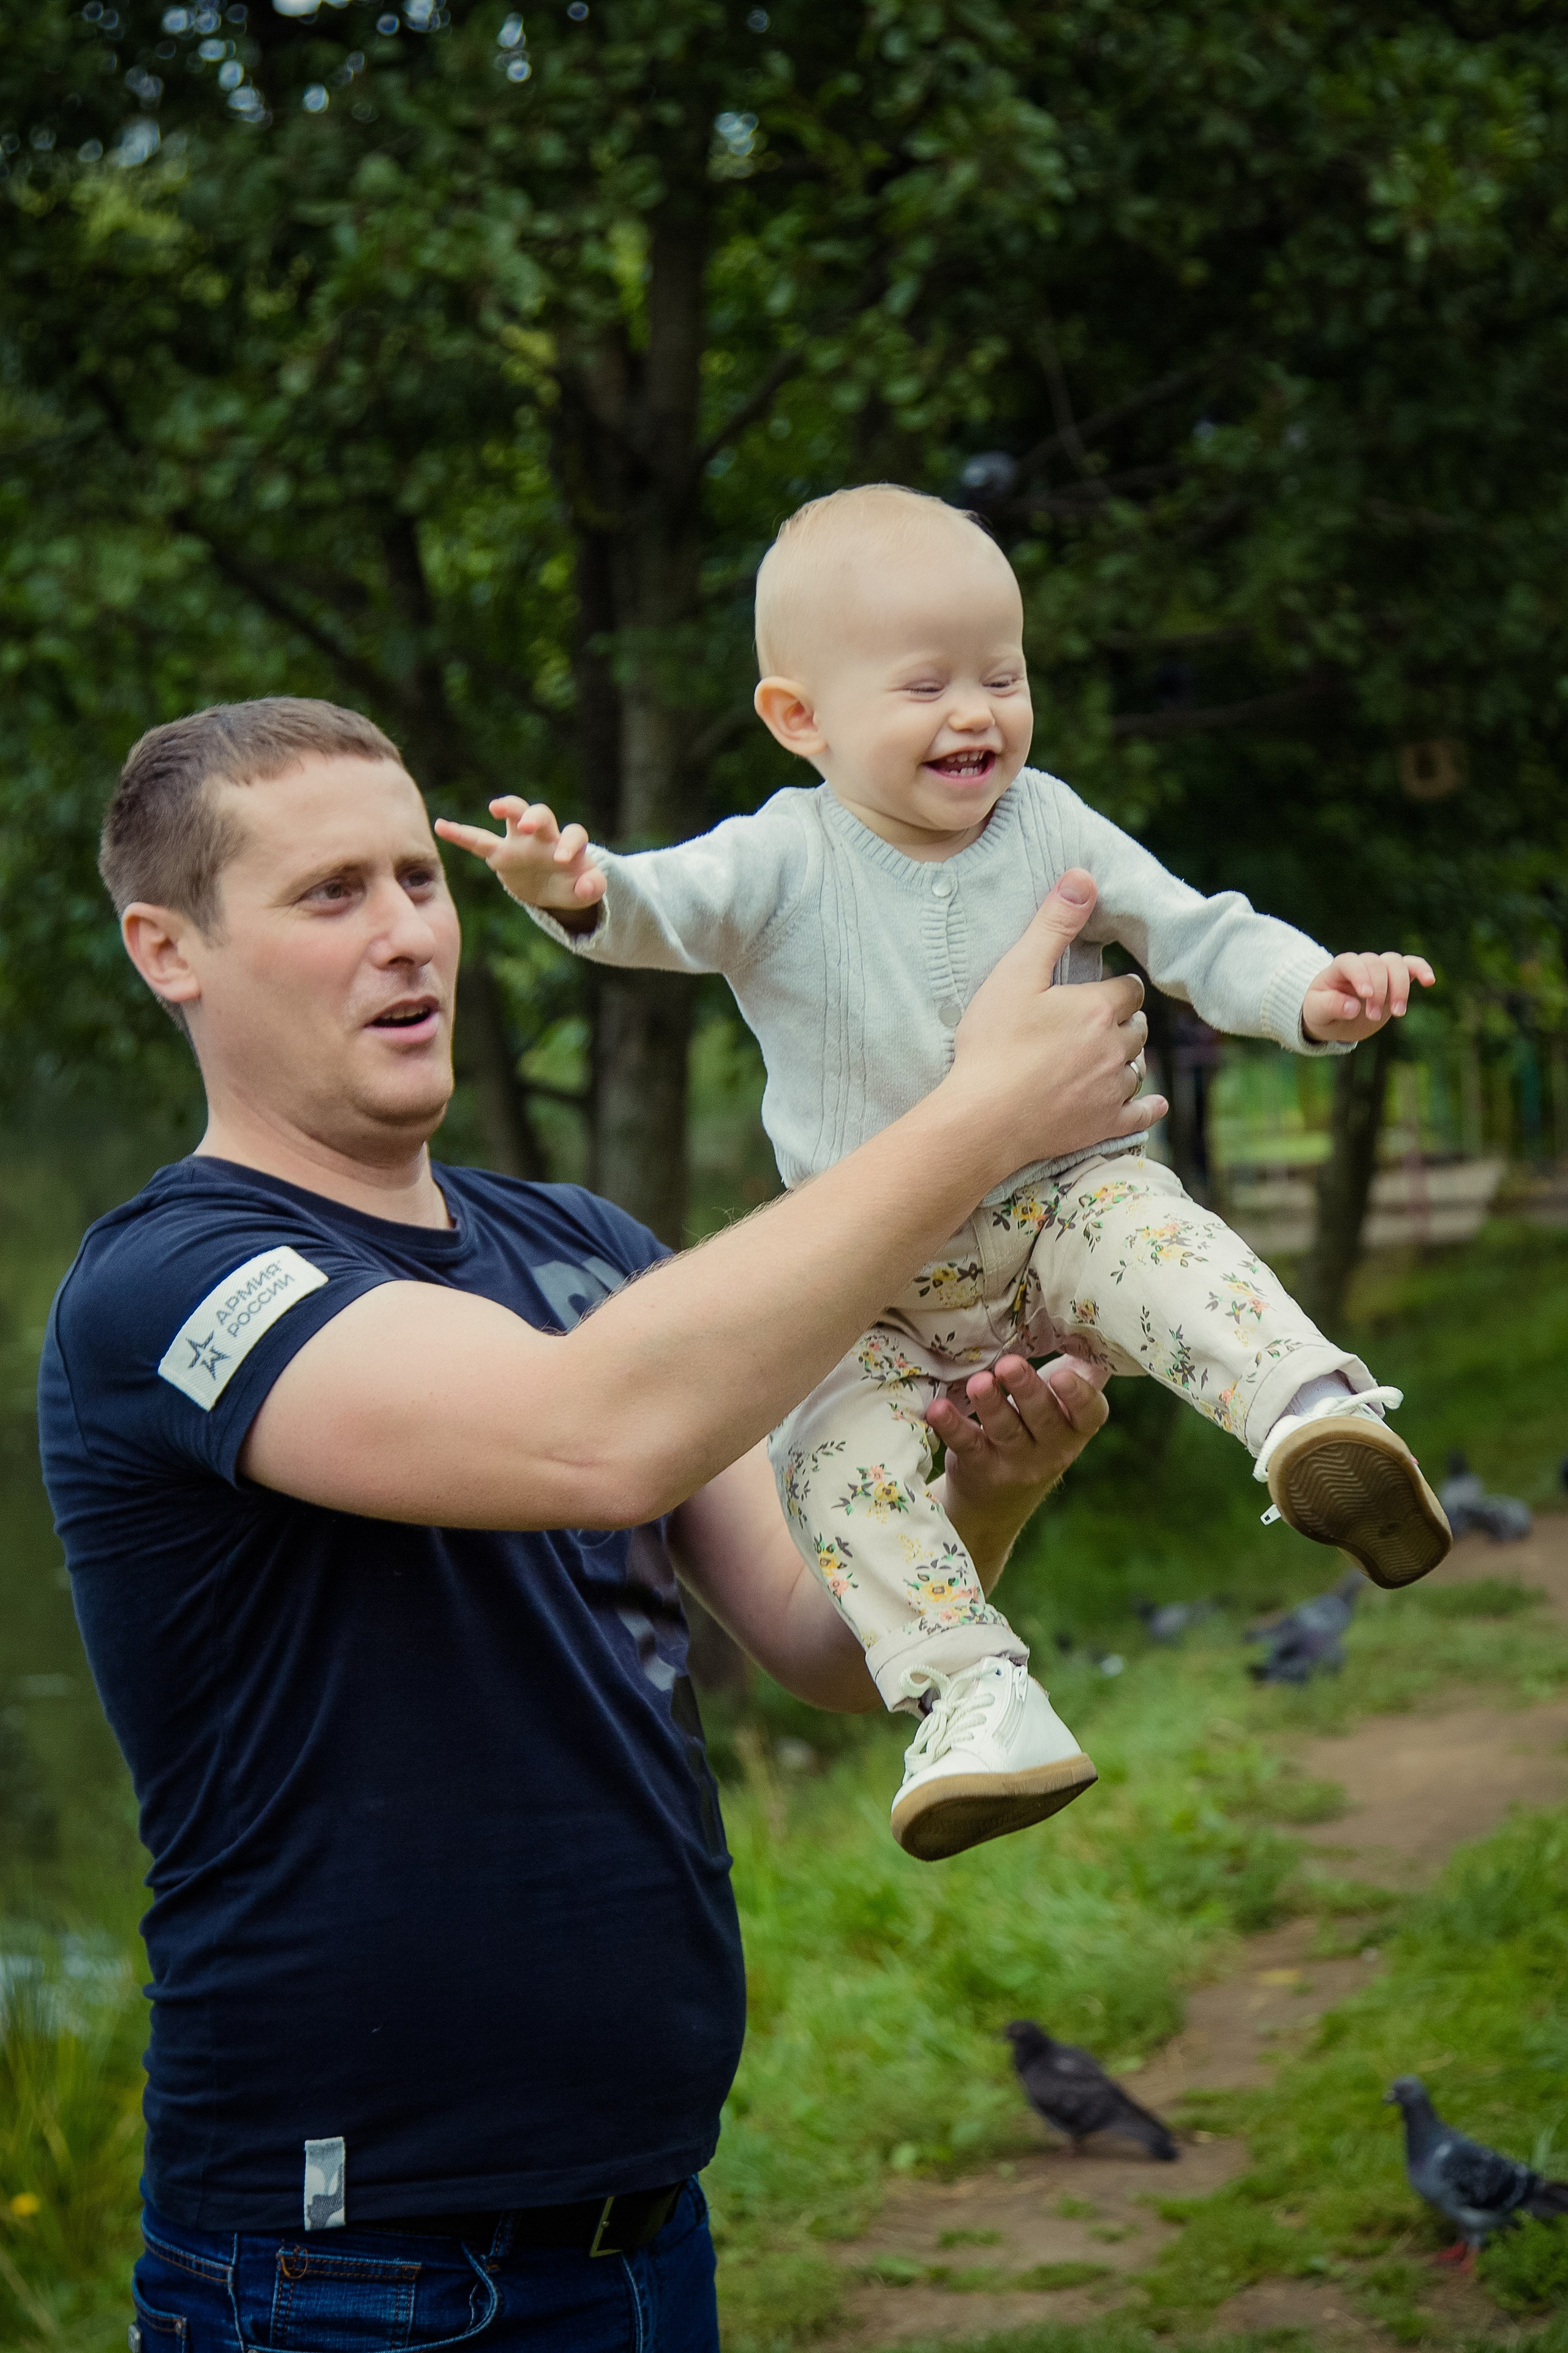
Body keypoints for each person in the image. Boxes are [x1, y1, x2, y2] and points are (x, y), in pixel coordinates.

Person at [37, 697, 1158, 2352]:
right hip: (339, 2270)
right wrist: (973, 1122)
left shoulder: (583, 1246)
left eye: (420, 877)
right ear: (169, 950)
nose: (410, 931)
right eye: (330, 894)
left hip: (645, 2229)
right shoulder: (172, 1284)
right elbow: (590, 1437)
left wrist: (989, 1484)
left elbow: (827, 1641)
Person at [437, 481, 1453, 1866]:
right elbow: (657, 907)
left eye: (1002, 674)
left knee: (1157, 1235)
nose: (975, 712)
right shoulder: (780, 854)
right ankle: (972, 1693)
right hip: (874, 1288)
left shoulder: (1054, 825)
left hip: (1057, 1206)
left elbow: (1198, 932)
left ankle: (1309, 1421)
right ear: (802, 720)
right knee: (828, 1455)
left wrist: (1311, 991)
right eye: (925, 686)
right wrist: (573, 884)